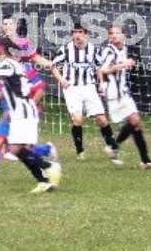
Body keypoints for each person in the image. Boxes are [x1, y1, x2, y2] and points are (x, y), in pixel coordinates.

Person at [0, 37, 62, 193]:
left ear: (2, 48)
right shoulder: (15, 65)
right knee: (17, 149)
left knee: (15, 149)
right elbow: (6, 91)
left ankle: (49, 166)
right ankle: (43, 180)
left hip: (22, 111)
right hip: (21, 110)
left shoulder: (7, 64)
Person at [51, 23, 121, 164]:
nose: (77, 35)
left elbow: (99, 67)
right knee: (78, 119)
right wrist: (61, 79)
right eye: (74, 32)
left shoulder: (93, 49)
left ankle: (112, 148)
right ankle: (80, 151)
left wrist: (102, 82)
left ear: (85, 34)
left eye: (80, 32)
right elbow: (53, 66)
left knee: (102, 119)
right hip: (72, 88)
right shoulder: (66, 49)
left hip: (89, 87)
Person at [99, 25, 151, 170]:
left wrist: (128, 63)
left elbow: (133, 60)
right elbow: (103, 70)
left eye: (117, 33)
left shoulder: (129, 49)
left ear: (123, 35)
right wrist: (119, 67)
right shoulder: (108, 50)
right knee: (135, 122)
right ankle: (116, 147)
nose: (113, 35)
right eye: (111, 33)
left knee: (136, 122)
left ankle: (144, 160)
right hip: (114, 93)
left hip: (124, 91)